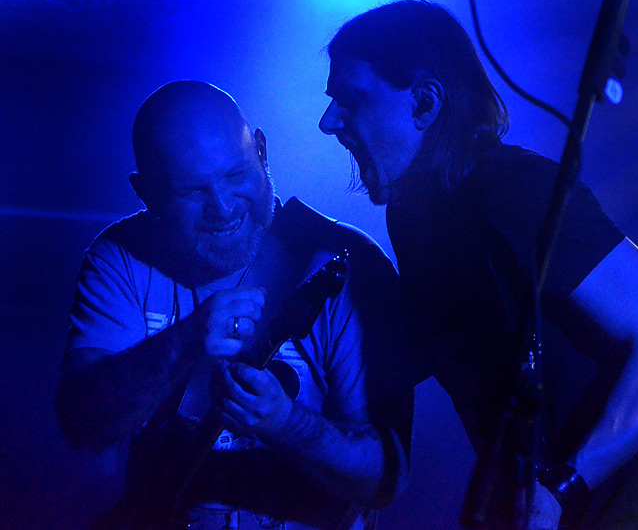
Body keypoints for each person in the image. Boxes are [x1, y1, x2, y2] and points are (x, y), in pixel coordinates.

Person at [318, 0, 638, 530]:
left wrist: (562, 487)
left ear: (424, 103)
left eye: (351, 100)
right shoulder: (411, 220)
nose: (328, 122)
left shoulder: (515, 191)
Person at [57, 80, 415, 530]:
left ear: (261, 151)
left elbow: (386, 481)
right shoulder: (120, 257)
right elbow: (83, 426)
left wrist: (285, 423)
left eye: (235, 175)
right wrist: (182, 342)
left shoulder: (348, 264)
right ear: (145, 193)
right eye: (191, 192)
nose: (223, 208)